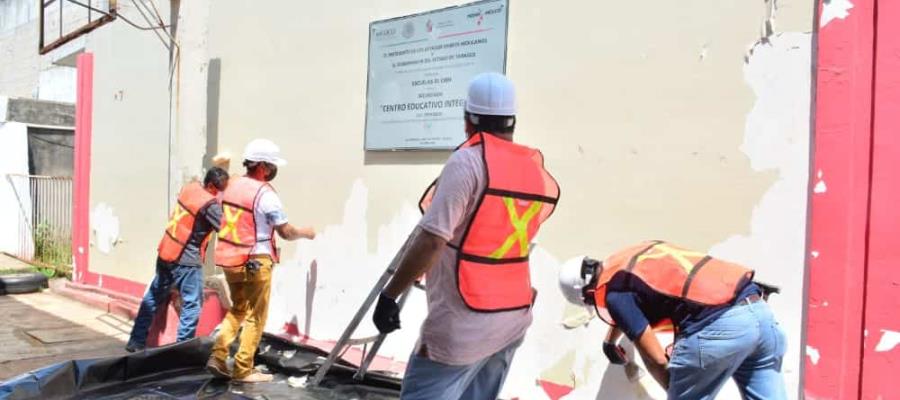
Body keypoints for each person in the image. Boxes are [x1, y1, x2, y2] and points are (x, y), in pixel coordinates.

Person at [371, 72, 560, 399]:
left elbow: (432, 239)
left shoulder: (468, 162)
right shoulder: (531, 169)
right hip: (512, 317)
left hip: (463, 324)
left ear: (468, 120)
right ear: (511, 121)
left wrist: (389, 296)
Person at [558, 240, 788, 400]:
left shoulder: (614, 294)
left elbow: (656, 358)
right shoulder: (632, 256)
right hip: (760, 314)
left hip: (717, 329)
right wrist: (611, 341)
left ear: (587, 294)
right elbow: (634, 299)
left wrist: (676, 389)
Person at [206, 139, 316, 383]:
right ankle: (243, 368)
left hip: (229, 258)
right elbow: (285, 232)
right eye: (273, 166)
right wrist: (305, 232)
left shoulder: (229, 184)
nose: (275, 171)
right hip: (255, 260)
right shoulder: (265, 195)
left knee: (238, 308)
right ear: (264, 167)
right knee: (256, 315)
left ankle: (218, 355)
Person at [125, 167, 230, 352]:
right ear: (212, 186)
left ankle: (136, 341)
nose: (221, 194)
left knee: (153, 296)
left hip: (167, 251)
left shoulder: (190, 188)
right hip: (186, 261)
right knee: (192, 304)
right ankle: (180, 351)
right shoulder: (210, 204)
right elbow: (227, 230)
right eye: (221, 190)